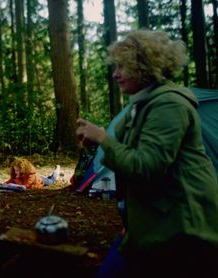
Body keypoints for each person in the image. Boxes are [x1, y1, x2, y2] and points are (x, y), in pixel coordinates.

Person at [76, 29, 218, 278]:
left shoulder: (168, 105)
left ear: (145, 66)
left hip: (182, 229)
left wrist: (104, 140)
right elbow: (130, 154)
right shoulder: (143, 103)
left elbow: (145, 167)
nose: (115, 74)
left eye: (123, 66)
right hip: (153, 222)